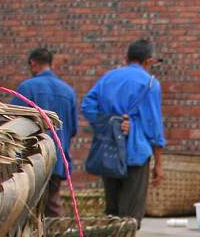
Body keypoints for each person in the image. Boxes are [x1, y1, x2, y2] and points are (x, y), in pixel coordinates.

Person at [81, 38, 166, 226]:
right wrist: (158, 163)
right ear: (149, 61)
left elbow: (87, 105)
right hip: (136, 152)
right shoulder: (150, 84)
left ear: (126, 58)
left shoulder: (109, 78)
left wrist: (110, 123)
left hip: (109, 149)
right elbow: (154, 126)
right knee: (131, 215)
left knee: (112, 210)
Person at [14, 47, 78, 217]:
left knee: (27, 209)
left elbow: (13, 127)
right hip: (57, 158)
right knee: (52, 205)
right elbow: (72, 130)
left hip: (31, 160)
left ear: (33, 63)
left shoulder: (27, 88)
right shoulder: (68, 91)